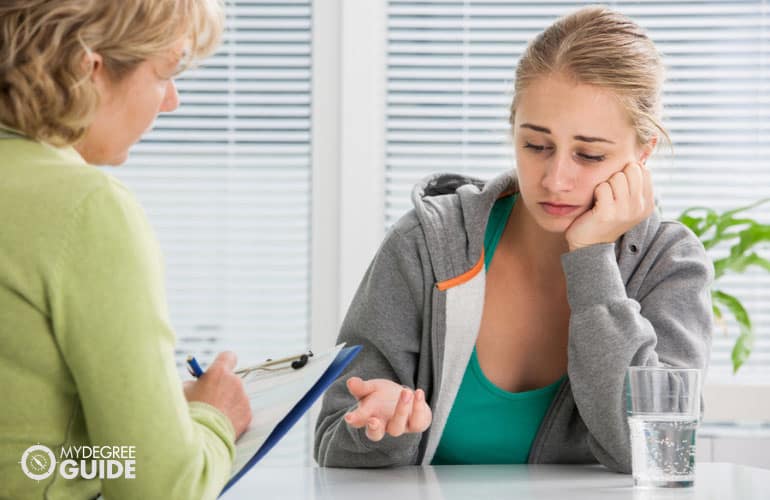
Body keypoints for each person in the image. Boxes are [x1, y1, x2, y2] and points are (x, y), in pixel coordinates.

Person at [315, 6, 714, 472]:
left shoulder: (670, 264)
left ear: (642, 154)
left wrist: (590, 259)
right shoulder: (426, 245)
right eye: (536, 146)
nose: (555, 178)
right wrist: (381, 430)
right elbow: (331, 443)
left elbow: (654, 455)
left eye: (589, 154)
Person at [0, 1, 252, 498]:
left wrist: (139, 428)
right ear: (86, 69)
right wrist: (211, 417)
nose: (172, 100)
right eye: (165, 72)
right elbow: (160, 486)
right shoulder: (86, 209)